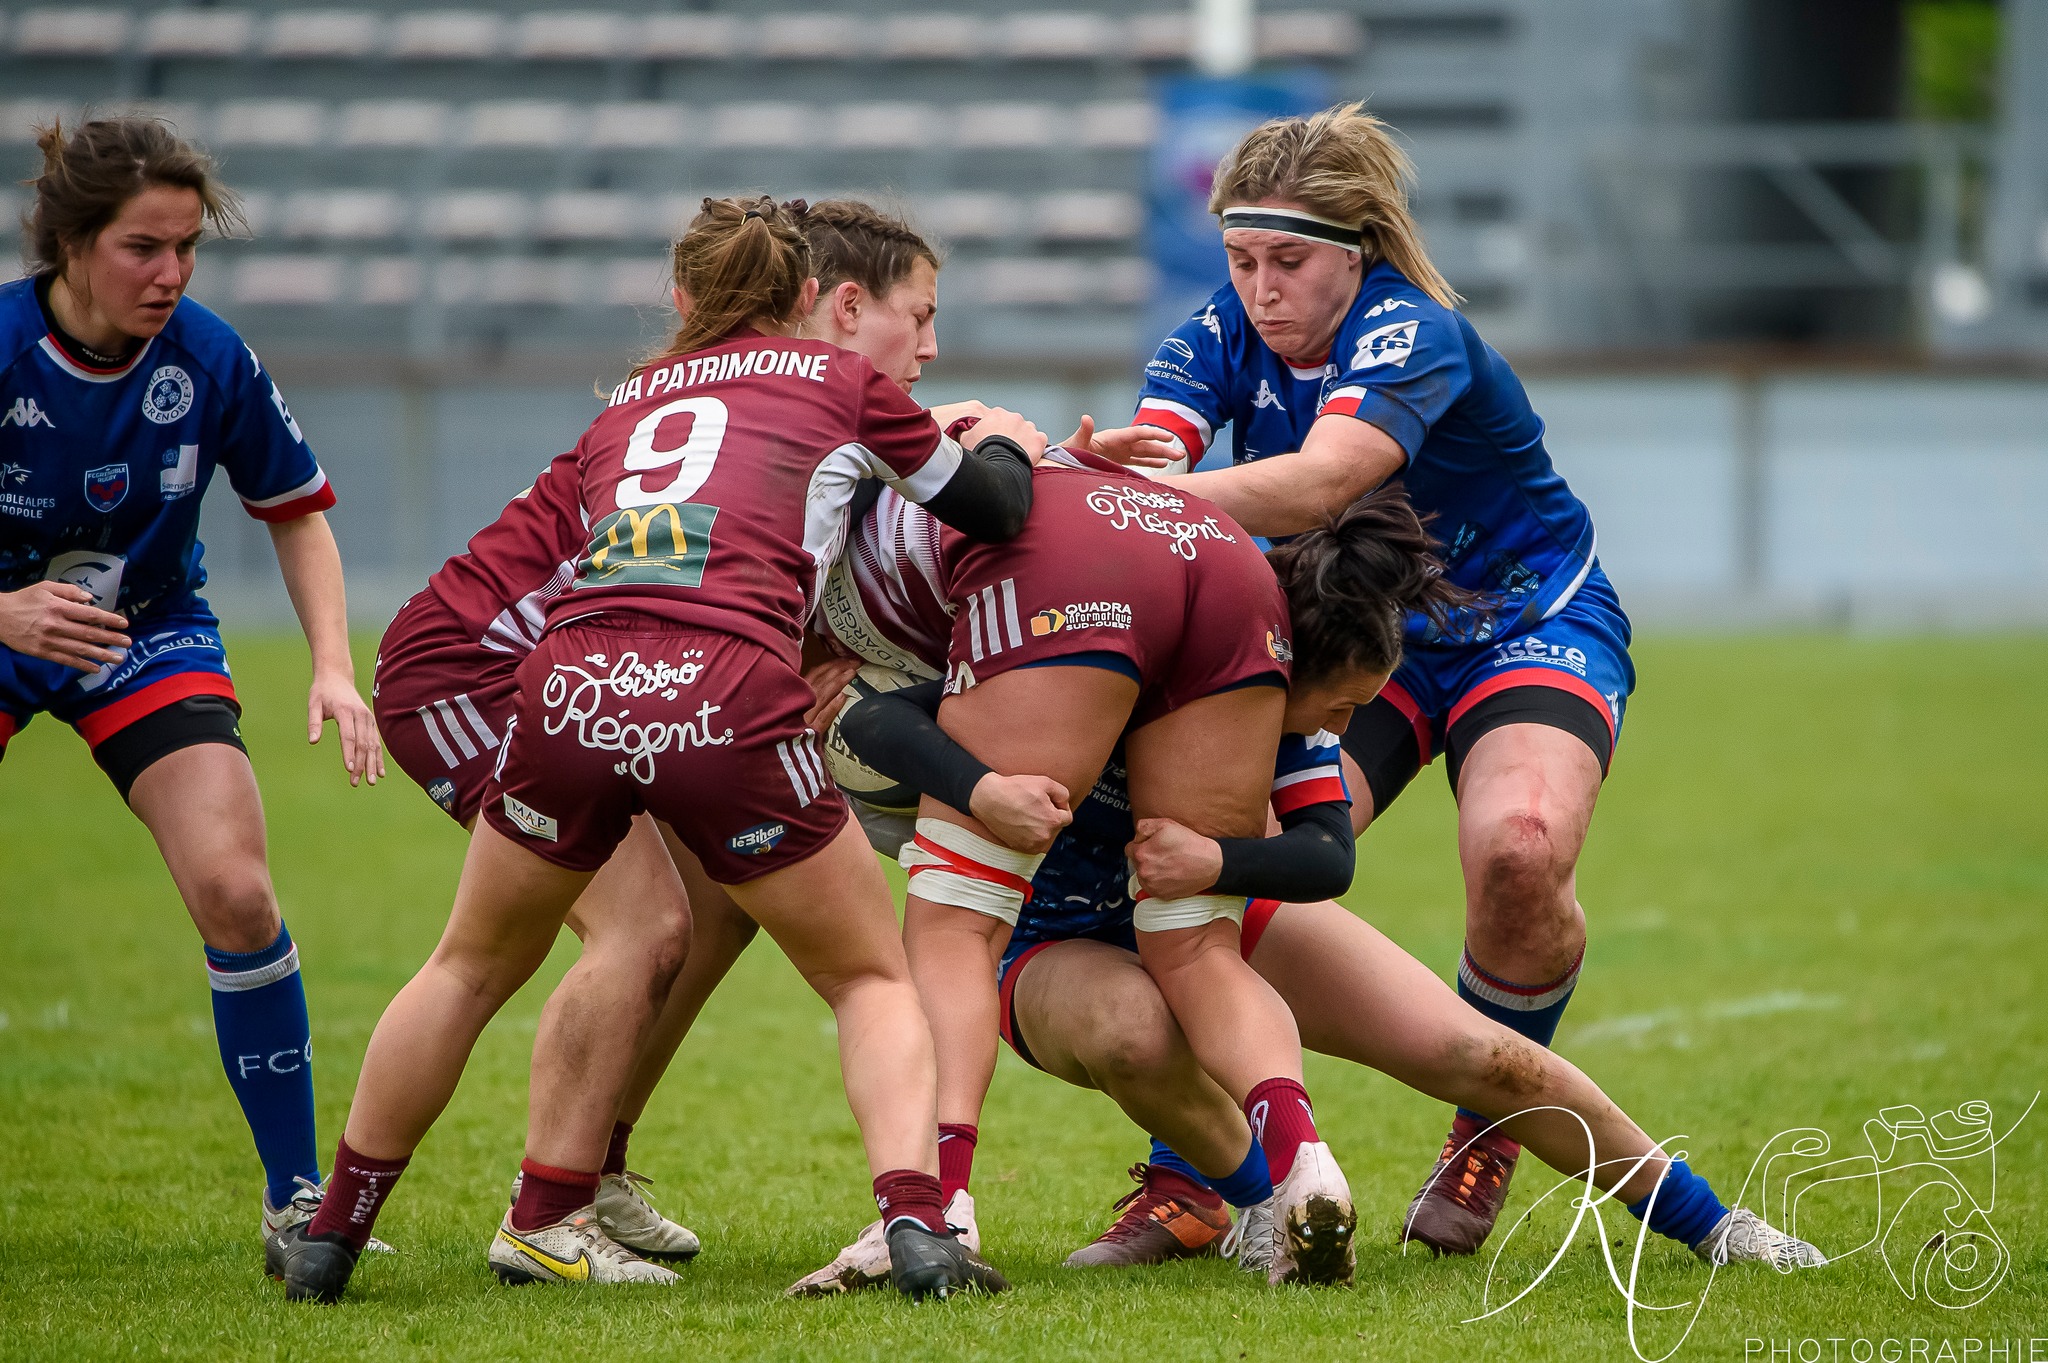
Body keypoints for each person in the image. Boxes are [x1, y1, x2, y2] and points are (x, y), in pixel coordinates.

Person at [267, 196, 1041, 1304]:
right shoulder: (837, 384)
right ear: (810, 299)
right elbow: (995, 507)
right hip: (707, 685)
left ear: (684, 298)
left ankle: (336, 1232)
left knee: (473, 959)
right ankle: (914, 1230)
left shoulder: (625, 401)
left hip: (571, 675)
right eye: (913, 318)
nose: (922, 345)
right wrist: (1002, 435)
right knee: (862, 973)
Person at [803, 490, 1825, 1285]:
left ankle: (1712, 1224)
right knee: (1129, 1029)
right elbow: (877, 719)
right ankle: (1260, 1204)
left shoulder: (1280, 723)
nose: (1336, 730)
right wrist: (983, 786)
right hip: (1045, 940)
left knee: (1478, 1055)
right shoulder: (1098, 664)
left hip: (1205, 915)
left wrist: (1217, 862)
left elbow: (1325, 855)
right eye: (1337, 703)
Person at [1091, 102, 1637, 1255]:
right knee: (1223, 843)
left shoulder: (1410, 329)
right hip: (1357, 643)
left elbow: (1311, 487)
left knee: (1519, 849)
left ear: (1359, 249)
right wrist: (1109, 477)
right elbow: (1155, 462)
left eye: (1287, 260)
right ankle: (1200, 1172)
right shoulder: (1214, 331)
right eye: (1240, 260)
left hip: (1519, 621)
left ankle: (1484, 1122)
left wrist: (1085, 496)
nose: (1259, 287)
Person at [0, 117, 382, 1260]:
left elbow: (297, 510)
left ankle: (296, 1199)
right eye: (141, 248)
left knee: (237, 892)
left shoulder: (209, 356)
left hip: (141, 627)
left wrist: (329, 663)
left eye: (185, 249)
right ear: (69, 243)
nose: (169, 273)